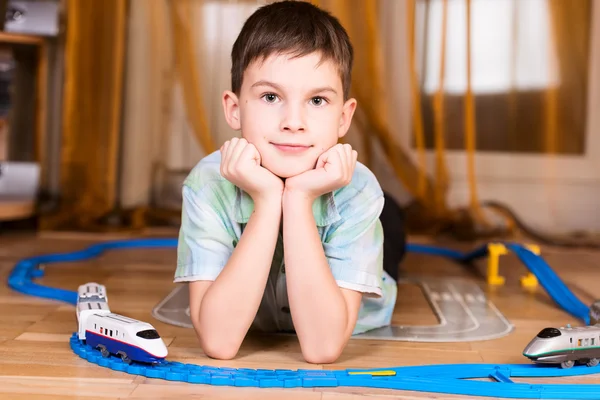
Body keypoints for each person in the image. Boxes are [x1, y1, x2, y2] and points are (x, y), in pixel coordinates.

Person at [174, 0, 399, 364]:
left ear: (344, 118)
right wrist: (267, 201)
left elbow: (323, 348)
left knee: (393, 228)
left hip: (354, 208)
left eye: (317, 100)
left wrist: (297, 198)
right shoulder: (207, 183)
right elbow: (218, 341)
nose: (293, 121)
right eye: (270, 96)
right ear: (234, 109)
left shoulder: (358, 190)